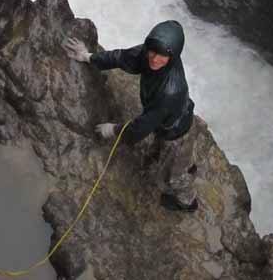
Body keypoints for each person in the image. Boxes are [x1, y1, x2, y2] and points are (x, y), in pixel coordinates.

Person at [64, 20, 198, 212]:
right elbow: (122, 57)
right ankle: (187, 165)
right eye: (152, 51)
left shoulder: (170, 91)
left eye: (162, 55)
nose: (154, 59)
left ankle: (187, 201)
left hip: (176, 132)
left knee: (173, 176)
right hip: (169, 118)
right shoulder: (149, 53)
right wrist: (88, 57)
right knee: (166, 151)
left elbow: (142, 126)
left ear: (173, 56)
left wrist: (114, 129)